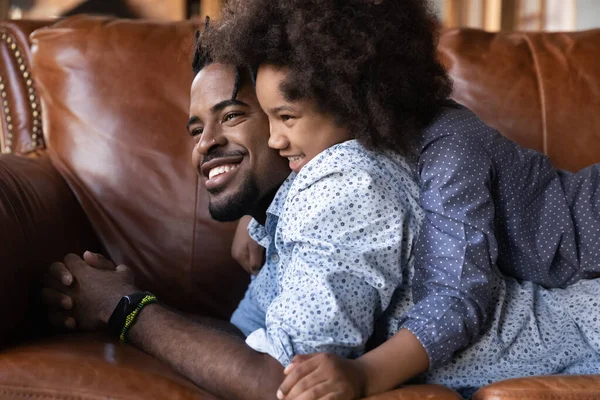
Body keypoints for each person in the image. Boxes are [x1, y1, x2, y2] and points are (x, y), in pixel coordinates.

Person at [204, 0, 600, 398]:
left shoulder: (450, 148)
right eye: (268, 118)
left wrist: (364, 374)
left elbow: (459, 294)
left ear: (350, 99)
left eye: (286, 117)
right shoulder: (364, 148)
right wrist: (257, 220)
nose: (274, 139)